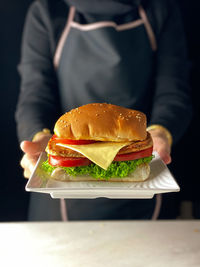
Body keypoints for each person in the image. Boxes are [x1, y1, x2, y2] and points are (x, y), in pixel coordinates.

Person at [16, 0, 192, 221]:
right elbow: (35, 95)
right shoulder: (48, 10)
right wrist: (39, 137)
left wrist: (160, 131)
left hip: (149, 194)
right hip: (59, 201)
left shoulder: (160, 8)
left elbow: (173, 91)